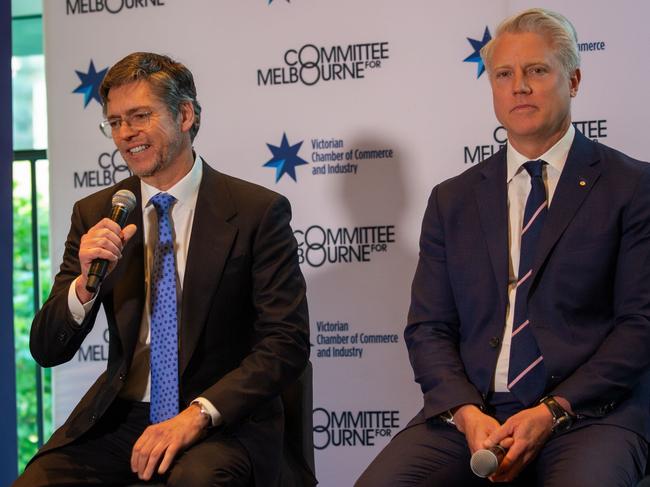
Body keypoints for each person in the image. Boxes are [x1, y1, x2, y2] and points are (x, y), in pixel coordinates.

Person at [357, 8, 650, 487]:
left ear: (573, 80)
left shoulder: (632, 186)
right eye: (504, 74)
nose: (520, 86)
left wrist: (552, 410)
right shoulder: (452, 199)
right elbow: (428, 328)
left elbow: (640, 326)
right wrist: (467, 413)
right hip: (475, 415)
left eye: (537, 70)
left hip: (591, 412)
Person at [15, 52, 315, 486]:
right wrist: (82, 286)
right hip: (122, 416)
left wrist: (198, 415)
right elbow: (47, 350)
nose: (125, 134)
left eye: (140, 116)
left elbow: (286, 342)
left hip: (220, 420)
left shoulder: (255, 212)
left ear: (185, 114)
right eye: (115, 121)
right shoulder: (98, 212)